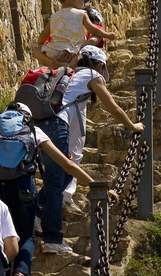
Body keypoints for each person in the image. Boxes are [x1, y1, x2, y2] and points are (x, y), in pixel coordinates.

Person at [0, 100, 119, 276]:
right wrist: (97, 186)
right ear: (27, 117)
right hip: (23, 188)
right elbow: (67, 164)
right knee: (25, 235)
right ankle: (23, 271)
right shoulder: (33, 131)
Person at [60, 45, 144, 207]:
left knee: (66, 155)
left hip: (49, 119)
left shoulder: (68, 73)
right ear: (100, 65)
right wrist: (133, 126)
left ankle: (55, 201)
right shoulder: (92, 75)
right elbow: (114, 109)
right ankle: (64, 198)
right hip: (63, 120)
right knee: (72, 155)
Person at [32, 0, 116, 68]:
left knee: (36, 51)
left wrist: (42, 45)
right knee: (83, 49)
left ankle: (52, 62)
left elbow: (42, 36)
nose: (83, 3)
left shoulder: (54, 17)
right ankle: (69, 65)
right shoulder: (81, 14)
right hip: (73, 52)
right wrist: (107, 35)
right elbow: (93, 30)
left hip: (53, 51)